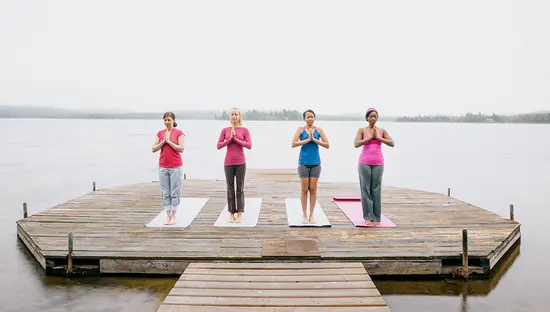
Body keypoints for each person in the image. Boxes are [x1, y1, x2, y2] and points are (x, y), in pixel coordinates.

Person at [354, 108, 394, 226]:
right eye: (371, 116)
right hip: (364, 162)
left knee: (376, 189)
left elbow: (392, 143)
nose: (373, 118)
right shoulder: (362, 130)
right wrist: (369, 138)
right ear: (367, 118)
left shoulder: (382, 131)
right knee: (365, 189)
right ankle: (368, 216)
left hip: (378, 163)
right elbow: (356, 144)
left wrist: (378, 137)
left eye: (375, 116)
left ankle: (376, 217)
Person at [291, 109, 329, 224]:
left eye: (312, 117)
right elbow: (293, 144)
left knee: (313, 190)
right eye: (308, 117)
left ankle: (311, 215)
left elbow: (327, 145)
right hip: (303, 163)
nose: (310, 119)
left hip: (315, 163)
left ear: (314, 118)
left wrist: (315, 140)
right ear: (304, 119)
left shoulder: (319, 130)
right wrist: (308, 139)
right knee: (304, 190)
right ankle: (304, 214)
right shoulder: (300, 130)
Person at [217, 107, 252, 223]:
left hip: (241, 162)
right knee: (230, 188)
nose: (234, 116)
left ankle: (240, 213)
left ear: (239, 116)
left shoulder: (244, 130)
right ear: (230, 116)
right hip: (228, 163)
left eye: (236, 114)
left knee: (240, 188)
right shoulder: (225, 130)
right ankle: (231, 213)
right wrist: (229, 139)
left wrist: (235, 138)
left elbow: (249, 145)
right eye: (232, 114)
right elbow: (219, 145)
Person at [152, 112, 185, 225]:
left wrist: (169, 142)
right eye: (165, 120)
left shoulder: (179, 133)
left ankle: (174, 215)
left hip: (175, 166)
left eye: (169, 120)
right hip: (163, 166)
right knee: (165, 192)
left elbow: (181, 148)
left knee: (174, 191)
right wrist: (163, 142)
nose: (167, 122)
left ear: (173, 120)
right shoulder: (160, 133)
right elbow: (153, 148)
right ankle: (168, 215)